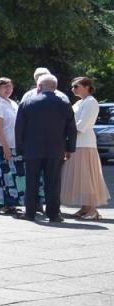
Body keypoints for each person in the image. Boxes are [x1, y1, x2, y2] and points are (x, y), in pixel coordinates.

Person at [14, 73, 76, 224]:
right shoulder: (64, 103)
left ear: (39, 86)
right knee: (53, 182)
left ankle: (30, 213)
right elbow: (71, 129)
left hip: (32, 149)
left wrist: (20, 148)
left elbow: (19, 128)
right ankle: (54, 214)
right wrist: (70, 148)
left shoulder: (27, 103)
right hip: (56, 150)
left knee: (31, 181)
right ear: (55, 88)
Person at [65, 76, 108, 221]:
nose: (73, 89)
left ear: (86, 86)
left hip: (85, 143)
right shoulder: (79, 102)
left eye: (76, 86)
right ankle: (85, 208)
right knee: (80, 177)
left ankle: (92, 210)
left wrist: (64, 132)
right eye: (72, 87)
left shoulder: (91, 102)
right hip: (77, 143)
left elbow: (81, 125)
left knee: (87, 177)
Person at [0, 78, 23, 215]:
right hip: (1, 145)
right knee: (1, 175)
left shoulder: (11, 103)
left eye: (10, 87)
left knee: (12, 176)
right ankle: (0, 204)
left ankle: (11, 203)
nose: (8, 90)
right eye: (4, 87)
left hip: (13, 145)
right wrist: (5, 147)